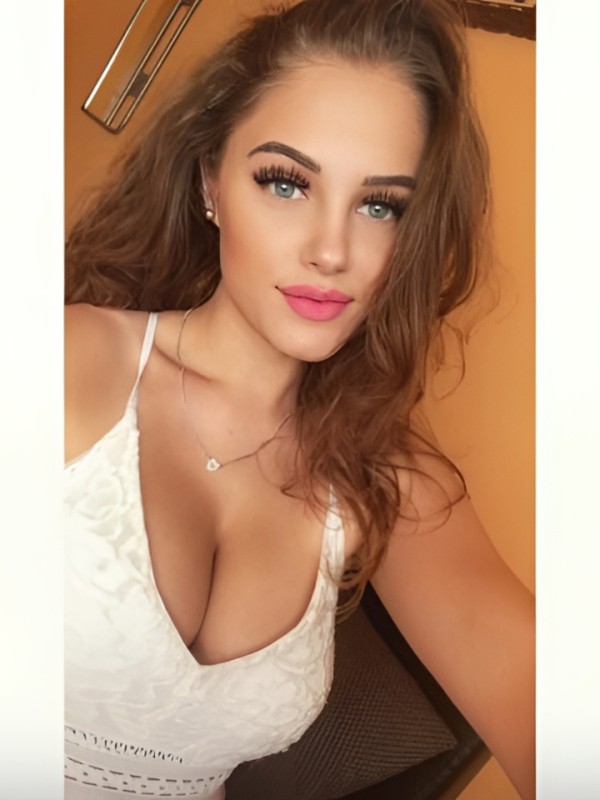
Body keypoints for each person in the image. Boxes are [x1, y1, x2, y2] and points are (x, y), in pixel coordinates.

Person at [64, 0, 535, 798]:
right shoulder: (67, 360)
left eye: (380, 206)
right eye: (286, 183)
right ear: (211, 183)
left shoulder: (387, 477)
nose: (331, 250)